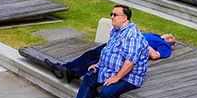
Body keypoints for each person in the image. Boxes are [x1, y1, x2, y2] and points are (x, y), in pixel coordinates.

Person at [56, 5, 150, 98]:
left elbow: (130, 62)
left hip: (129, 76)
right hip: (111, 70)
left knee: (107, 91)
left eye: (115, 15)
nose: (112, 17)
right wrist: (98, 64)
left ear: (125, 18)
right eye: (111, 14)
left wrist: (117, 77)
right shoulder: (116, 31)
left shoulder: (133, 37)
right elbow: (108, 50)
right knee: (89, 77)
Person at [45, 33, 176, 84]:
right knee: (91, 53)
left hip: (125, 50)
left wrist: (141, 42)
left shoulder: (165, 46)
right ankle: (64, 68)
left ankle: (73, 73)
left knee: (97, 61)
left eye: (172, 38)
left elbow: (155, 55)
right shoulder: (155, 35)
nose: (170, 35)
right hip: (117, 43)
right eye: (170, 34)